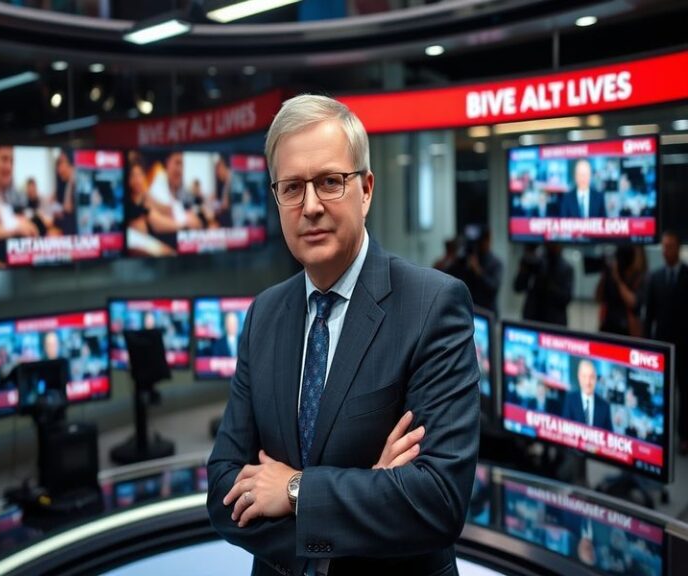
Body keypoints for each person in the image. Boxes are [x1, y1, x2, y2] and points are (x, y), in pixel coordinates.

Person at [207, 94, 480, 576]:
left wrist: (295, 491)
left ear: (367, 189)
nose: (310, 206)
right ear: (276, 199)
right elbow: (224, 491)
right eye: (292, 188)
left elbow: (437, 501)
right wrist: (369, 492)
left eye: (330, 182)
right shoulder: (264, 315)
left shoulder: (432, 305)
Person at [643, 230, 688, 453]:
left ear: (678, 248)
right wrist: (646, 345)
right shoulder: (656, 277)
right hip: (661, 344)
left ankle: (683, 436)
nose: (665, 250)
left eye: (669, 246)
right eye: (663, 246)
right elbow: (649, 314)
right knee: (661, 392)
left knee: (685, 393)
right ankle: (660, 434)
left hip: (684, 345)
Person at [448, 225, 504, 316]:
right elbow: (452, 279)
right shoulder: (467, 260)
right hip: (470, 310)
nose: (478, 245)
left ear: (487, 240)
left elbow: (493, 288)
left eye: (480, 242)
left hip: (488, 313)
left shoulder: (496, 263)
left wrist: (478, 271)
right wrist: (454, 260)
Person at [513, 244, 573, 326]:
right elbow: (518, 287)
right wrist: (524, 270)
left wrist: (548, 282)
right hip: (532, 317)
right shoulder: (535, 262)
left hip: (554, 322)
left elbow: (566, 298)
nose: (551, 246)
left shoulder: (566, 268)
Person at [596, 245, 647, 336]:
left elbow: (633, 302)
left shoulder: (640, 278)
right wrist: (604, 275)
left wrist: (618, 279)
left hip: (628, 329)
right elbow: (598, 298)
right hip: (608, 327)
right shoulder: (611, 273)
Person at [562, 360, 613, 431]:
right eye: (584, 376)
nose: (588, 382)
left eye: (591, 377)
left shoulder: (605, 406)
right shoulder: (570, 400)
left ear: (595, 379)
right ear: (579, 377)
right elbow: (564, 429)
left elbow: (609, 436)